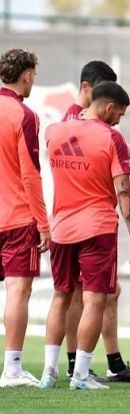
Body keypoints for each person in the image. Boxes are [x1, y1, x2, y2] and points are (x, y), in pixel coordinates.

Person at [40, 81, 130, 390]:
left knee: (60, 297)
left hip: (61, 228)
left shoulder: (54, 132)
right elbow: (123, 190)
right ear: (109, 107)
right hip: (97, 228)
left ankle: (49, 373)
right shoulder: (112, 138)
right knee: (94, 299)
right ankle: (81, 376)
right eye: (120, 114)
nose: (119, 120)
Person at [0, 48, 49, 387]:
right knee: (18, 291)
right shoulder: (24, 115)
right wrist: (43, 224)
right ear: (27, 75)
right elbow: (31, 175)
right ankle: (13, 369)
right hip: (16, 217)